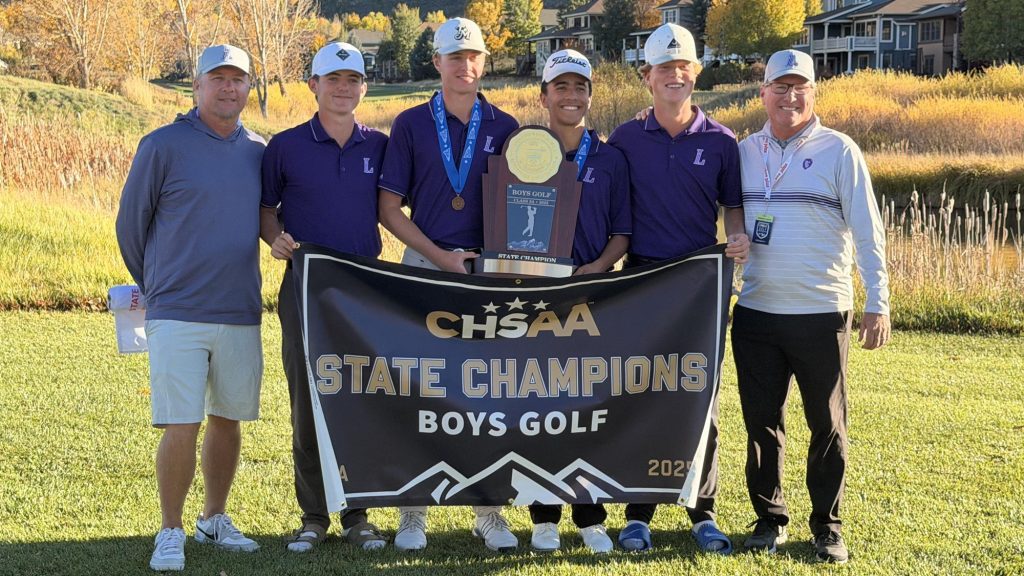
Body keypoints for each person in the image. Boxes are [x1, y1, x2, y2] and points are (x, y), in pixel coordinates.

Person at [732, 49, 890, 564]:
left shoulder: (839, 150)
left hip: (822, 312)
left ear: (814, 93)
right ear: (763, 93)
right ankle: (769, 519)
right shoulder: (743, 152)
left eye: (800, 87)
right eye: (780, 87)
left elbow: (868, 231)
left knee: (827, 424)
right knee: (761, 422)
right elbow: (727, 223)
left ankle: (826, 526)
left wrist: (878, 301)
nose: (790, 96)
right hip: (756, 312)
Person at [115, 44, 265, 572]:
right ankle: (170, 529)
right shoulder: (162, 145)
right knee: (181, 422)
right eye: (217, 78)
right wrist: (158, 287)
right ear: (196, 85)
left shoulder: (259, 150)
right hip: (176, 311)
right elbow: (130, 226)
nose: (228, 87)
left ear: (248, 88)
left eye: (237, 79)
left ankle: (213, 518)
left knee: (228, 420)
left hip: (240, 309)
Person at [377, 17, 520, 551]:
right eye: (455, 57)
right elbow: (389, 208)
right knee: (421, 391)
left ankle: (489, 513)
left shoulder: (506, 126)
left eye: (473, 56)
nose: (465, 65)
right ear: (437, 62)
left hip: (486, 274)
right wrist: (440, 258)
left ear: (484, 61)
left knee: (488, 395)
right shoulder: (411, 123)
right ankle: (412, 514)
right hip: (425, 264)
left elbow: (523, 203)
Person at [607, 23, 749, 554]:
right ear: (647, 76)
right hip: (642, 281)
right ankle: (638, 514)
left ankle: (701, 512)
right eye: (664, 68)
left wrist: (738, 236)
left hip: (699, 285)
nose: (675, 75)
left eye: (683, 66)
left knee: (700, 398)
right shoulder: (624, 139)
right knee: (642, 394)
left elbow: (732, 208)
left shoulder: (721, 141)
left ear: (697, 72)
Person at [259, 42, 389, 553]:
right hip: (305, 289)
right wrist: (274, 239)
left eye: (352, 79)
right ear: (313, 85)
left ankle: (358, 514)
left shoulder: (379, 146)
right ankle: (314, 515)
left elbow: (397, 208)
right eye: (332, 79)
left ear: (364, 87)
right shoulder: (285, 146)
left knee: (362, 400)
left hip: (363, 291)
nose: (343, 88)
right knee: (308, 402)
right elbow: (267, 210)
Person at [525, 49, 631, 555]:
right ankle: (544, 517)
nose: (571, 96)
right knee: (537, 412)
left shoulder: (610, 159)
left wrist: (598, 268)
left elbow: (621, 233)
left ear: (590, 95)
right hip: (536, 300)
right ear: (543, 96)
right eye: (561, 87)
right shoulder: (523, 151)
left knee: (588, 412)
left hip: (590, 299)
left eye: (580, 87)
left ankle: (591, 517)